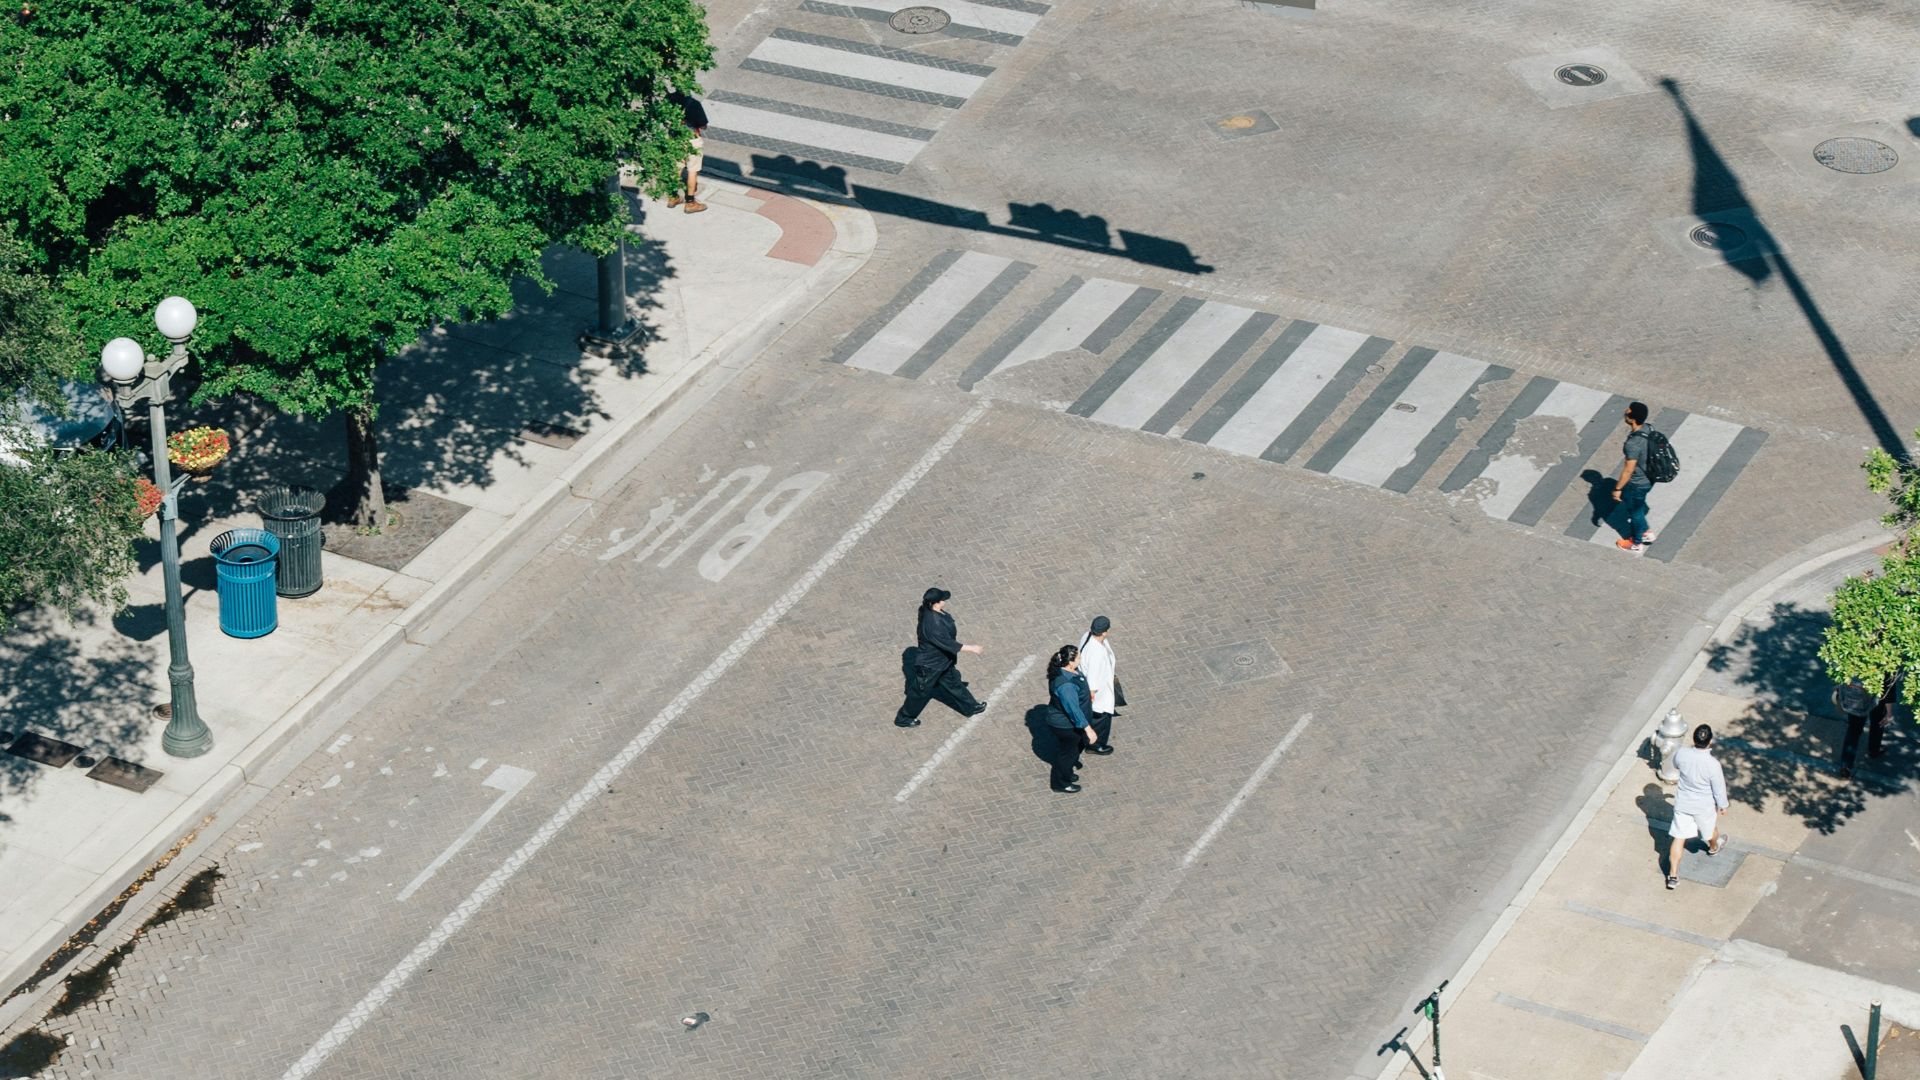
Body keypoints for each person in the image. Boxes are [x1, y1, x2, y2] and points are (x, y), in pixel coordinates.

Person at [894, 587, 985, 728]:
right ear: (936, 603)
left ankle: (971, 707)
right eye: (942, 599)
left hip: (943, 661)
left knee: (954, 683)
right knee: (919, 693)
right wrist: (972, 648)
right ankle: (904, 718)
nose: (945, 601)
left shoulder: (929, 609)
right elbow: (948, 643)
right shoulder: (932, 624)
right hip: (930, 666)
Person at [1665, 723, 1728, 890]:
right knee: (1710, 831)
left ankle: (1672, 876)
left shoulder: (1682, 754)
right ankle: (1714, 847)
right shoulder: (1713, 764)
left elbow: (1676, 765)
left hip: (1683, 802)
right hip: (1703, 806)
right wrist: (1723, 805)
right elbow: (1719, 788)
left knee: (1679, 838)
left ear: (1693, 738)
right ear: (1710, 741)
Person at [1043, 645, 1097, 793]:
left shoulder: (1067, 671)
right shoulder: (1066, 685)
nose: (1081, 659)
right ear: (1070, 662)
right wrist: (1088, 729)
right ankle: (1060, 783)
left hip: (1071, 722)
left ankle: (1066, 772)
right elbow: (1073, 710)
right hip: (1065, 725)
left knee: (1076, 747)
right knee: (1068, 753)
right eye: (1079, 657)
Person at [1613, 401, 1658, 553]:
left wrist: (1618, 488)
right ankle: (1646, 532)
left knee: (1635, 512)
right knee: (1638, 507)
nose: (1625, 413)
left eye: (1627, 412)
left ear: (1632, 419)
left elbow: (1628, 470)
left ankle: (1636, 542)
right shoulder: (1649, 429)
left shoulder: (1632, 444)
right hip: (1650, 478)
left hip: (1638, 483)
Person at [1077, 616, 1118, 756]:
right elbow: (1094, 675)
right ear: (1105, 632)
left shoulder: (1087, 636)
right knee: (1101, 718)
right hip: (1098, 692)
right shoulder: (1097, 652)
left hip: (1093, 686)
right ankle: (1095, 745)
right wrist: (1092, 694)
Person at [666, 91, 708, 215]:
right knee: (692, 171)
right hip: (692, 140)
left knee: (676, 168)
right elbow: (703, 125)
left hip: (675, 139)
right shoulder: (694, 104)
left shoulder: (670, 100)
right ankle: (690, 202)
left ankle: (673, 197)